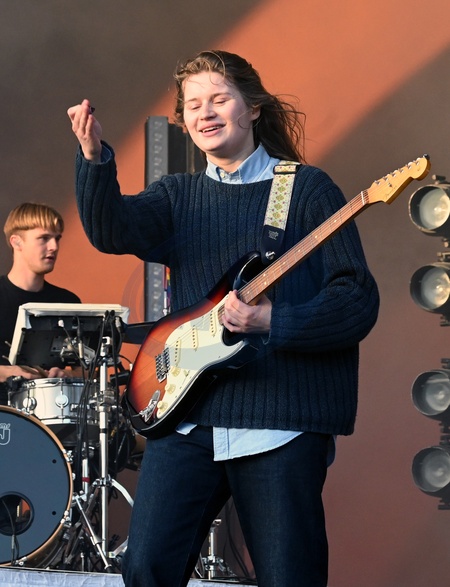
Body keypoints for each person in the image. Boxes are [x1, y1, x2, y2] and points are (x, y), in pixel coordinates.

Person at [67, 50, 380, 587]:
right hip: (188, 417)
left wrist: (274, 321)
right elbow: (111, 230)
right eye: (193, 105)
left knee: (290, 577)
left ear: (253, 107)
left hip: (279, 422)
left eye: (219, 99)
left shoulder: (307, 190)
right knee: (145, 570)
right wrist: (93, 158)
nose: (205, 113)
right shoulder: (178, 196)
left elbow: (356, 300)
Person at [0, 202, 81, 405]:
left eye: (57, 238)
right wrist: (9, 372)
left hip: (53, 414)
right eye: (44, 238)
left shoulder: (68, 303)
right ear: (16, 242)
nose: (54, 246)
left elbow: (87, 369)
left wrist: (67, 375)